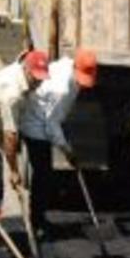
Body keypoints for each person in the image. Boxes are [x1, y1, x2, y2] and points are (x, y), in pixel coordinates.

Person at [19, 49, 98, 240]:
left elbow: (56, 118)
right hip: (35, 125)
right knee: (43, 175)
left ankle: (39, 218)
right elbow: (51, 125)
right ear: (74, 67)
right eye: (80, 77)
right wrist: (67, 151)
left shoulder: (68, 66)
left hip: (48, 118)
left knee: (45, 175)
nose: (82, 82)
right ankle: (36, 222)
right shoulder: (60, 88)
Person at [0, 50, 50, 233]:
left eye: (42, 78)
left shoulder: (23, 76)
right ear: (26, 70)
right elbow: (9, 135)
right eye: (36, 78)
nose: (39, 82)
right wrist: (13, 171)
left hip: (0, 125)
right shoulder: (12, 92)